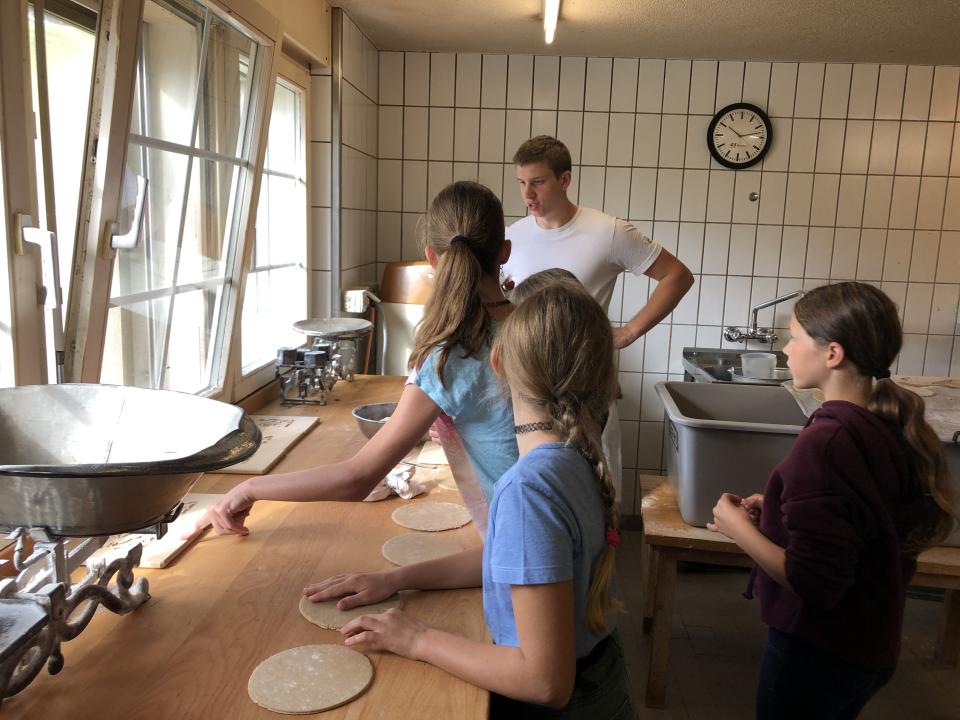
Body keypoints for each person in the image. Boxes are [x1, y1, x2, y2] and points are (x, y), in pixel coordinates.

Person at [312, 284, 635, 719]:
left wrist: (417, 639)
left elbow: (544, 682)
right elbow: (515, 562)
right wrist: (397, 579)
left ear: (497, 362)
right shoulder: (575, 456)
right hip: (602, 683)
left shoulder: (528, 489)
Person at [199, 181, 518, 535]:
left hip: (523, 547)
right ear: (504, 251)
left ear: (431, 256)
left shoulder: (449, 358)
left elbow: (357, 478)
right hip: (559, 536)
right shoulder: (539, 325)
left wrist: (248, 489)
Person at [707, 282, 957, 720]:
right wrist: (780, 509)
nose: (785, 349)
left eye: (794, 338)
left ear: (833, 354)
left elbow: (814, 581)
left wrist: (738, 529)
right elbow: (857, 519)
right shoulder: (882, 424)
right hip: (868, 643)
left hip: (818, 651)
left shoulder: (827, 443)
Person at [504, 135, 694, 497]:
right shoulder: (512, 237)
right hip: (529, 391)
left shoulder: (608, 231)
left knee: (599, 489)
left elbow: (678, 275)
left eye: (538, 182)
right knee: (537, 490)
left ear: (565, 179)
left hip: (587, 385)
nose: (528, 194)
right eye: (521, 183)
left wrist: (630, 331)